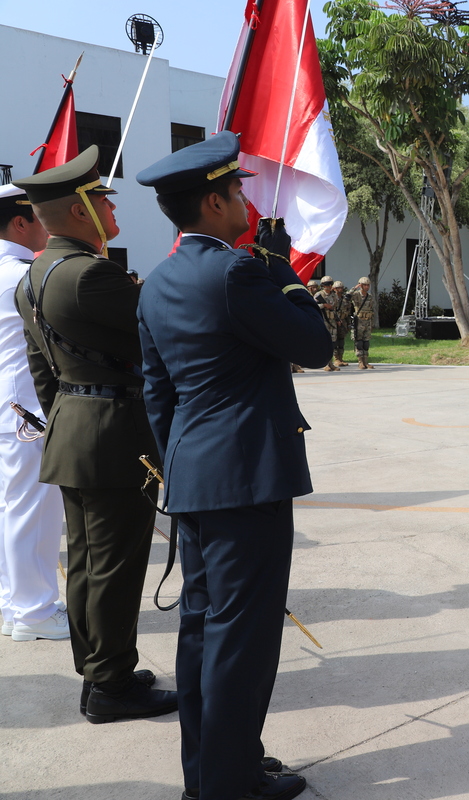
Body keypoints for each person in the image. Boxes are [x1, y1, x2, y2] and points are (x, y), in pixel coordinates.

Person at [136, 131, 329, 800]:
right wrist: (284, 272)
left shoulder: (157, 282)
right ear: (215, 202)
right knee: (241, 642)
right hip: (248, 479)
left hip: (195, 478)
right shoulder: (239, 272)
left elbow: (157, 394)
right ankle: (228, 785)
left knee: (202, 635)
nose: (248, 199)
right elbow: (315, 345)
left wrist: (182, 467)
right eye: (238, 189)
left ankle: (216, 769)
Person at [12, 147, 176, 721]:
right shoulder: (92, 275)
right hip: (111, 434)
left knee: (85, 564)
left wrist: (73, 417)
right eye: (102, 197)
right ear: (80, 210)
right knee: (114, 566)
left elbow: (43, 373)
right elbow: (159, 338)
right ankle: (110, 686)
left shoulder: (32, 276)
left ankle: (100, 670)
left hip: (73, 431)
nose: (110, 205)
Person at [0, 184, 65, 642]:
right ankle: (34, 611)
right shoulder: (25, 273)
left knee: (10, 506)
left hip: (9, 407)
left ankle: (12, 599)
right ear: (21, 222)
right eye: (40, 216)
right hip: (28, 410)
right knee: (34, 509)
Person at [315, 276, 341, 371]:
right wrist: (324, 305)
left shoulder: (334, 295)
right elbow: (313, 306)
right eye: (327, 284)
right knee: (325, 342)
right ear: (323, 285)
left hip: (332, 321)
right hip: (323, 321)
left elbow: (336, 308)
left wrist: (338, 319)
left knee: (332, 343)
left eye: (330, 284)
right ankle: (325, 364)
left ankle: (331, 364)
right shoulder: (319, 295)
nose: (329, 286)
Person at [349, 277, 375, 369]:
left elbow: (372, 310)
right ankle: (360, 362)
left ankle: (366, 362)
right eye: (365, 285)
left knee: (366, 342)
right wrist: (355, 288)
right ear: (361, 285)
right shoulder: (356, 295)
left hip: (367, 321)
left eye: (368, 285)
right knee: (359, 342)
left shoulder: (370, 297)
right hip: (359, 321)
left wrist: (372, 323)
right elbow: (347, 296)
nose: (367, 287)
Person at [332, 280, 351, 365]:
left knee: (341, 341)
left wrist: (349, 323)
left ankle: (341, 358)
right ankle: (336, 358)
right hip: (333, 322)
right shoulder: (332, 298)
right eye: (338, 288)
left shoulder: (345, 299)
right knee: (335, 340)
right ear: (334, 289)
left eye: (341, 288)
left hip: (343, 321)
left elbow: (348, 312)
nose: (340, 289)